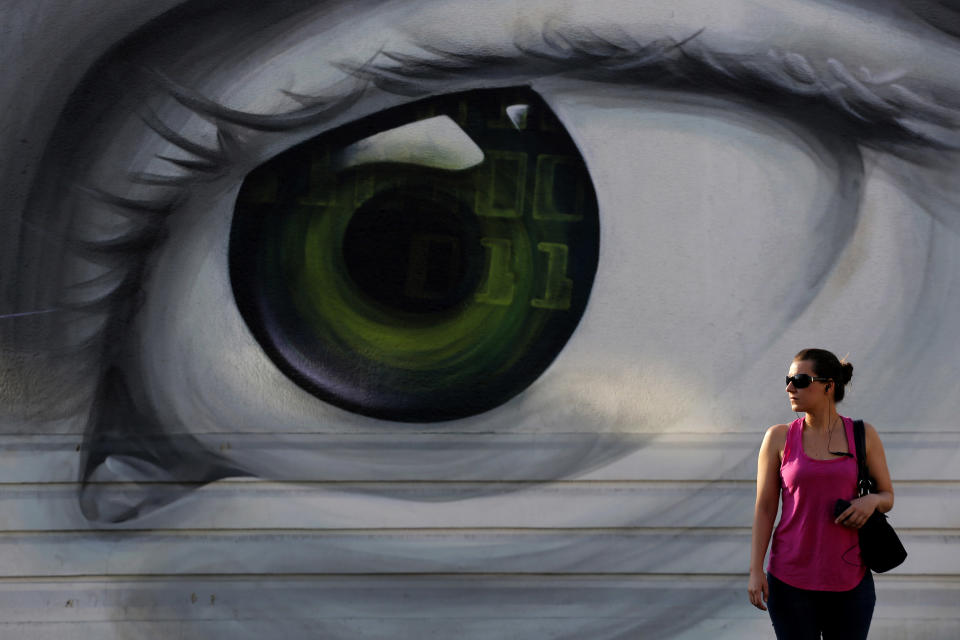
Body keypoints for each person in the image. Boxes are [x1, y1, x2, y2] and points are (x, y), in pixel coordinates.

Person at [748, 348, 895, 639]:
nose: (790, 387)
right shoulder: (778, 437)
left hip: (850, 580)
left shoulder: (863, 435)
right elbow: (765, 510)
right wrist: (755, 570)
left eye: (801, 380)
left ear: (829, 386)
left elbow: (887, 495)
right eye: (788, 379)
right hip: (789, 579)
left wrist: (872, 500)